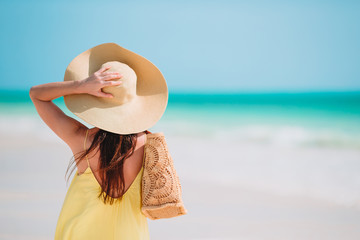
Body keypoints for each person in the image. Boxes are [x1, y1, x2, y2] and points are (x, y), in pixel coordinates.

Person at [29, 43, 168, 239]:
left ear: (95, 98)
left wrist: (80, 86)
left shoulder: (81, 139)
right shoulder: (149, 145)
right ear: (134, 101)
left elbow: (37, 95)